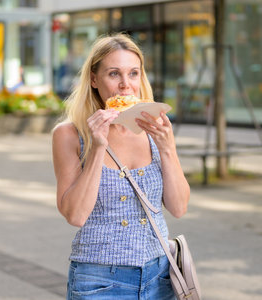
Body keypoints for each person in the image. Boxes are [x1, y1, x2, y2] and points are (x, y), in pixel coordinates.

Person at [52, 33, 190, 300]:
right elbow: (75, 216)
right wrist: (98, 146)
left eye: (133, 73)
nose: (126, 85)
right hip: (99, 280)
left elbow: (179, 208)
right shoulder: (69, 134)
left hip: (160, 274)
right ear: (94, 79)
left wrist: (167, 148)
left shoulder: (153, 129)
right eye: (114, 74)